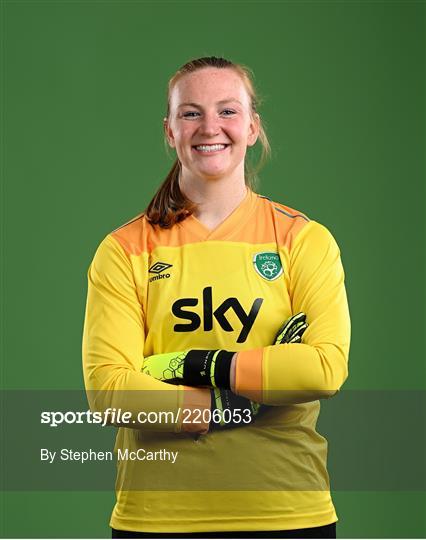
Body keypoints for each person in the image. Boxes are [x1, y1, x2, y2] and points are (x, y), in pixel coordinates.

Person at [82, 56, 351, 539]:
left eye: (228, 111)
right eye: (191, 112)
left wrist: (196, 364)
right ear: (169, 130)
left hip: (290, 514)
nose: (211, 127)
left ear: (252, 127)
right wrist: (240, 398)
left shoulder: (303, 240)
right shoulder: (123, 250)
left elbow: (323, 368)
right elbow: (111, 392)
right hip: (157, 518)